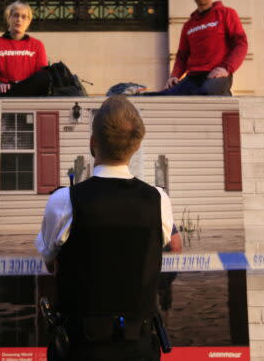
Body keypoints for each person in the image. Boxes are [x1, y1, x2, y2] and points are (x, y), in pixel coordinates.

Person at [36, 95, 174, 360]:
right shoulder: (159, 201)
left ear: (92, 143)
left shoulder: (65, 201)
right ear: (136, 145)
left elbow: (50, 262)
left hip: (80, 349)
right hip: (139, 348)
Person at [157, 0, 248, 96]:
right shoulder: (188, 25)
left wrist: (227, 68)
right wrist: (175, 75)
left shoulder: (227, 14)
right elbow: (182, 55)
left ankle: (225, 97)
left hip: (216, 75)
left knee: (205, 93)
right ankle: (128, 94)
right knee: (165, 95)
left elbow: (241, 44)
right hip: (193, 77)